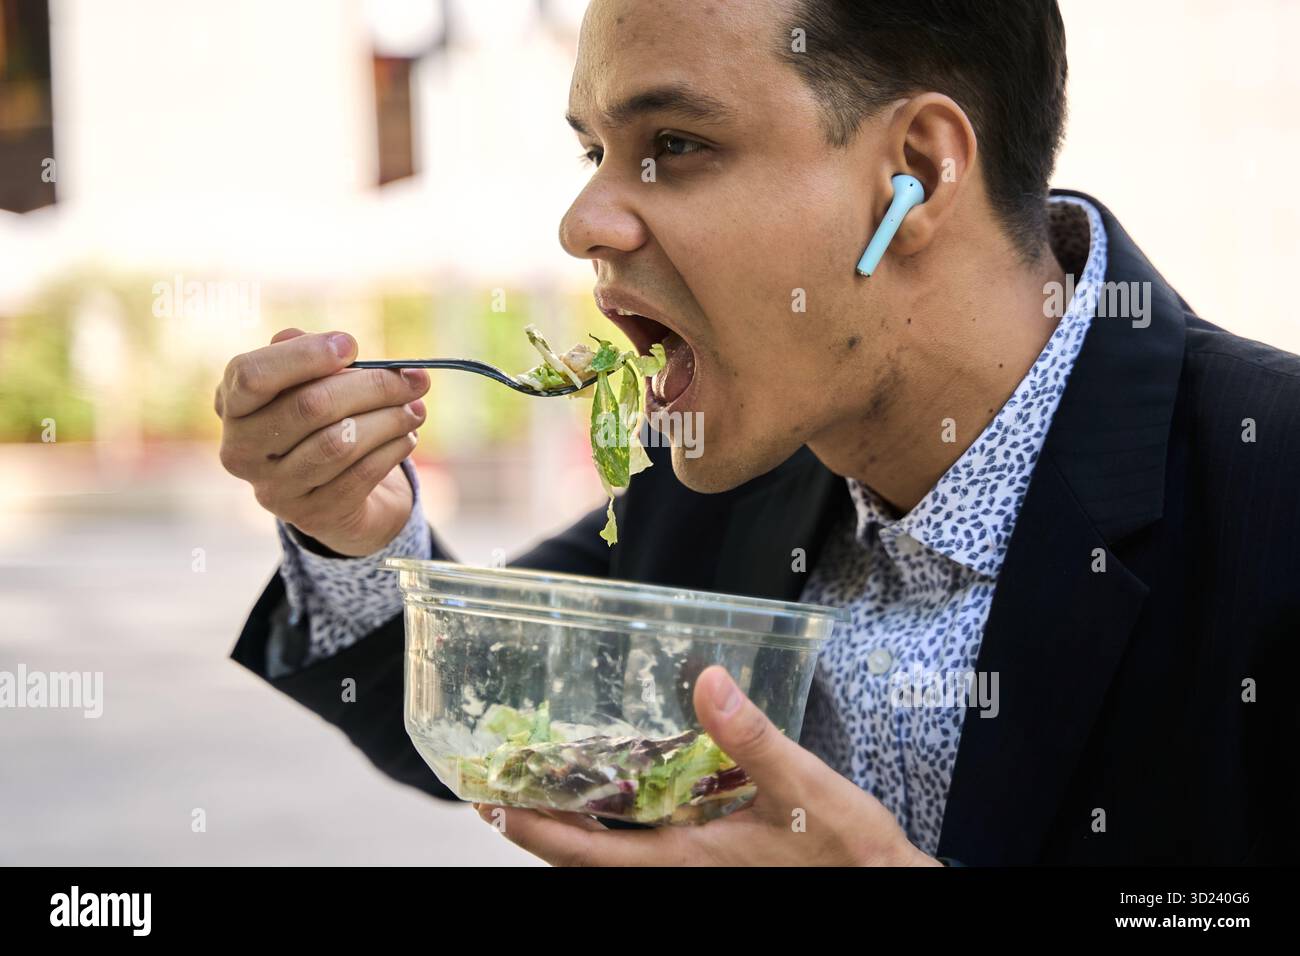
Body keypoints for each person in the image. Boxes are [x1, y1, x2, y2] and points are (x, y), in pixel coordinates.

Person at [216, 0, 1298, 865]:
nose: (583, 220)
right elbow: (498, 715)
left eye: (674, 143)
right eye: (592, 148)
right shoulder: (723, 466)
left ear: (913, 171)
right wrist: (350, 527)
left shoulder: (1274, 481)